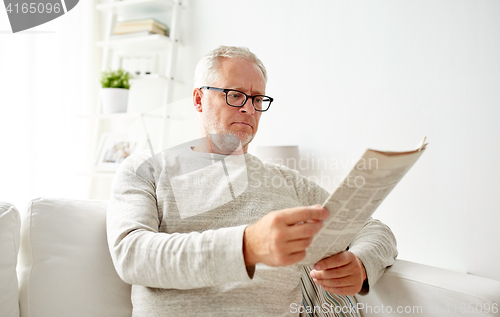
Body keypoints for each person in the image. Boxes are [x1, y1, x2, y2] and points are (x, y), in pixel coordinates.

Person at [107, 46, 397, 316]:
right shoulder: (146, 169)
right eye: (235, 95)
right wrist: (247, 246)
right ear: (198, 99)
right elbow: (131, 254)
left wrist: (360, 264)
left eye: (258, 99)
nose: (249, 108)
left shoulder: (288, 181)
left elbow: (373, 228)